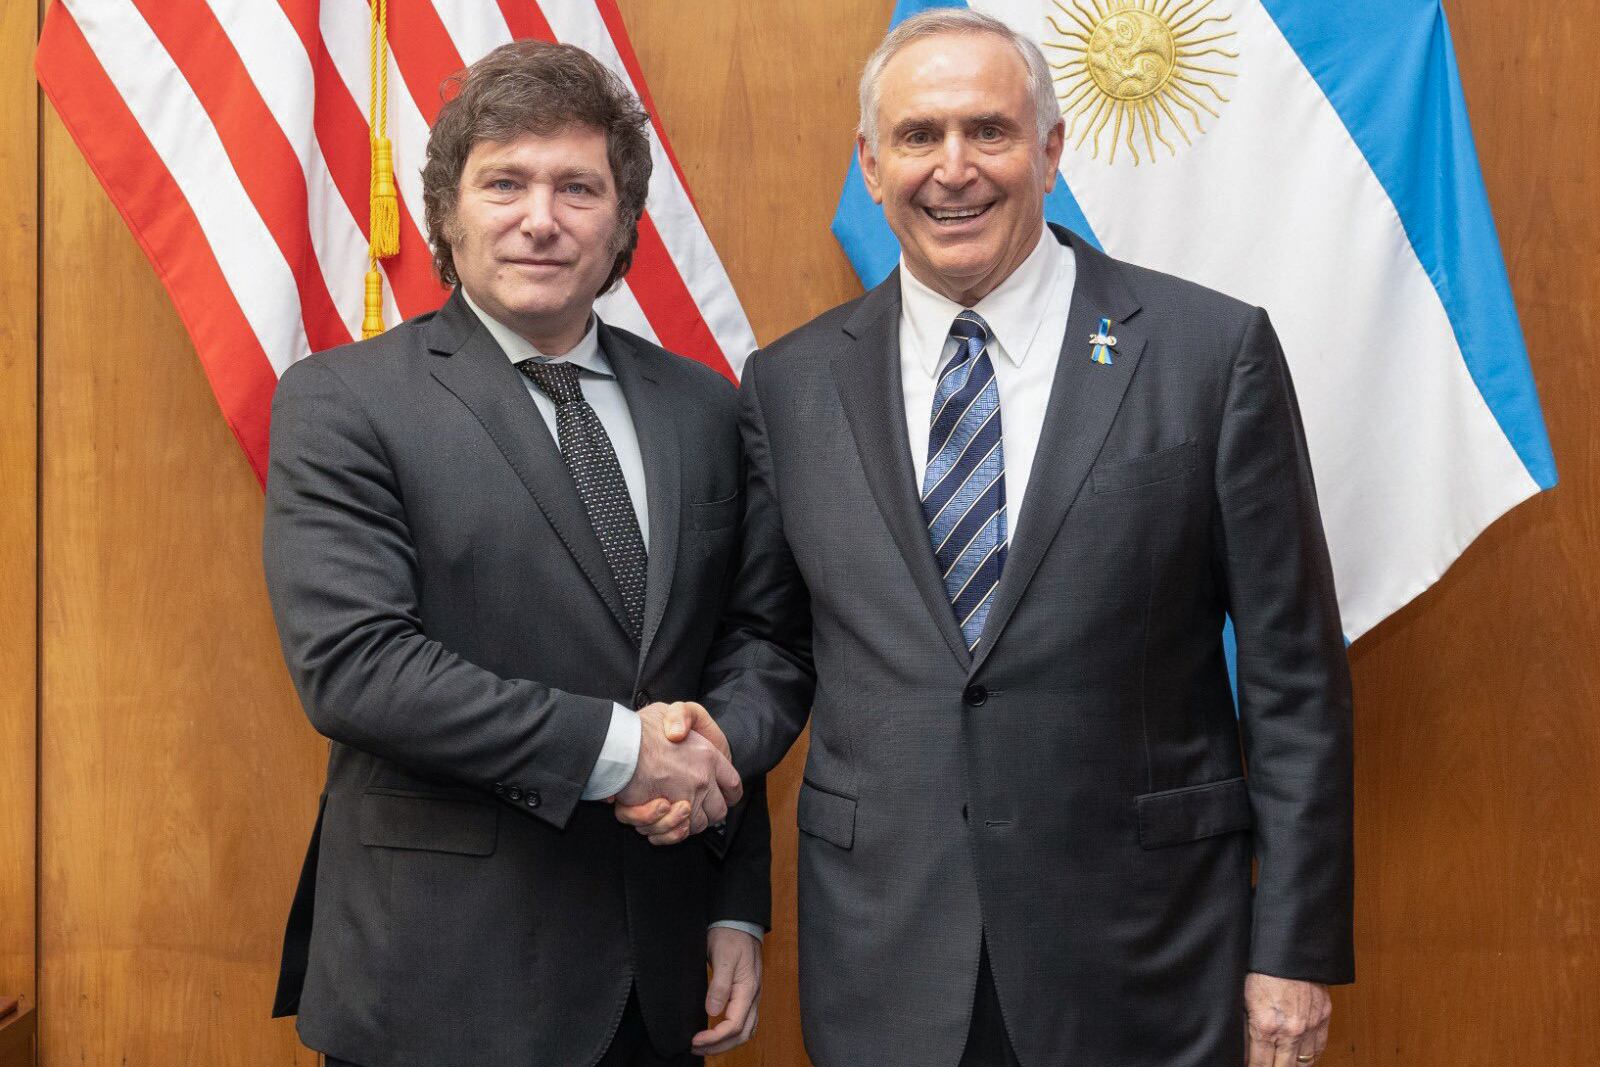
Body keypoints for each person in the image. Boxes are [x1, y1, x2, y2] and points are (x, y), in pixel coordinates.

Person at [622, 9, 1353, 1067]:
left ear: (1049, 151)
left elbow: (1294, 677)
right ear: (871, 166)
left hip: (1146, 950)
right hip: (887, 953)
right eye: (918, 136)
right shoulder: (788, 383)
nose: (953, 168)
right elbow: (776, 645)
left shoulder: (1208, 351)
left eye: (989, 131)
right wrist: (711, 743)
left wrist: (1291, 948)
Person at [263, 40, 764, 1067]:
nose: (542, 218)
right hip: (436, 983)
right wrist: (623, 750)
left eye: (578, 187)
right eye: (505, 183)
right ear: (447, 211)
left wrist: (736, 901)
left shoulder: (706, 407)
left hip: (658, 976)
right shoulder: (344, 401)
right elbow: (357, 667)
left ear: (622, 222)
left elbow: (748, 646)